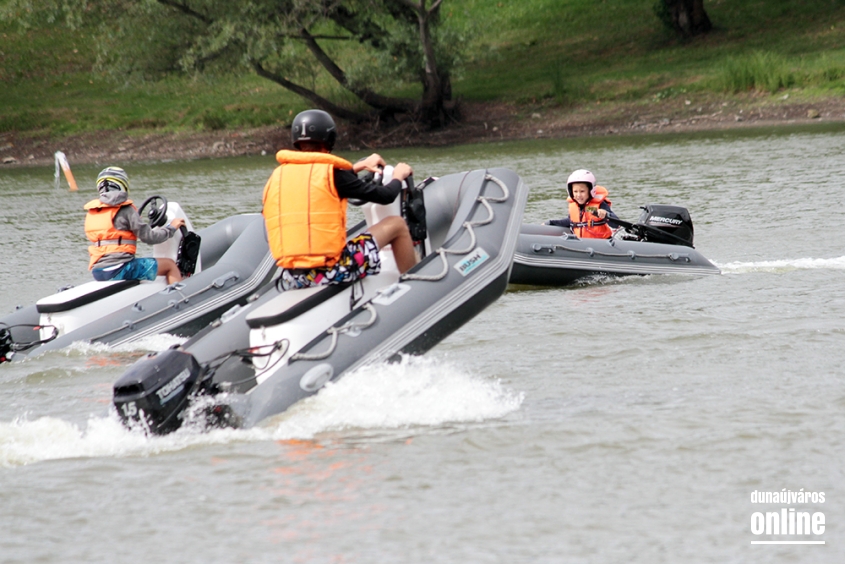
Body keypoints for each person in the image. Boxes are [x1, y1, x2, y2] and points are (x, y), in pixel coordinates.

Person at [262, 109, 417, 291]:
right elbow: (386, 196)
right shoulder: (334, 175)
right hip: (332, 271)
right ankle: (414, 286)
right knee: (397, 224)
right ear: (330, 139)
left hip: (292, 276)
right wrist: (398, 176)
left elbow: (317, 182)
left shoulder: (277, 178)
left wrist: (359, 166)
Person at [84, 166, 185, 284]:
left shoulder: (93, 211)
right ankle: (181, 297)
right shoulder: (126, 209)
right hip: (120, 268)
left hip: (98, 271)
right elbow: (149, 237)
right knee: (170, 265)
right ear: (123, 185)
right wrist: (171, 228)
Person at [547, 169, 619, 239]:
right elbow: (569, 221)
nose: (578, 195)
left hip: (600, 244)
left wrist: (606, 215)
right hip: (582, 244)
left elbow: (616, 224)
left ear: (590, 190)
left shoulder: (600, 205)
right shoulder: (576, 207)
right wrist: (551, 223)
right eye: (575, 191)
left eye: (582, 191)